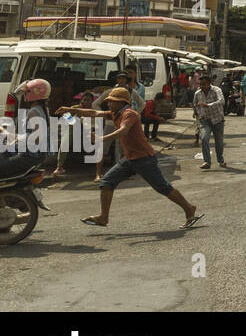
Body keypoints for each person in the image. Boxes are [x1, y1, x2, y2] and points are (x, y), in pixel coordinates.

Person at [57, 86, 203, 230]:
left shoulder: (130, 114)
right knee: (107, 182)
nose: (108, 104)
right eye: (108, 101)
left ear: (122, 102)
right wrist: (71, 110)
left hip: (144, 158)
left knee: (162, 187)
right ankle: (103, 217)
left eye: (112, 101)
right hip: (130, 158)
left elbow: (123, 130)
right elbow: (94, 112)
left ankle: (189, 209)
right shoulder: (114, 113)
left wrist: (101, 138)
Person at [192, 73, 228, 170]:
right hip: (205, 120)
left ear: (209, 83)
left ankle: (220, 159)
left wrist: (209, 105)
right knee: (204, 138)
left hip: (217, 119)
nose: (202, 86)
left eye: (204, 84)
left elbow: (222, 101)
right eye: (200, 84)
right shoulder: (197, 93)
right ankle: (207, 161)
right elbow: (195, 104)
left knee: (219, 142)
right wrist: (197, 114)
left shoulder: (217, 90)